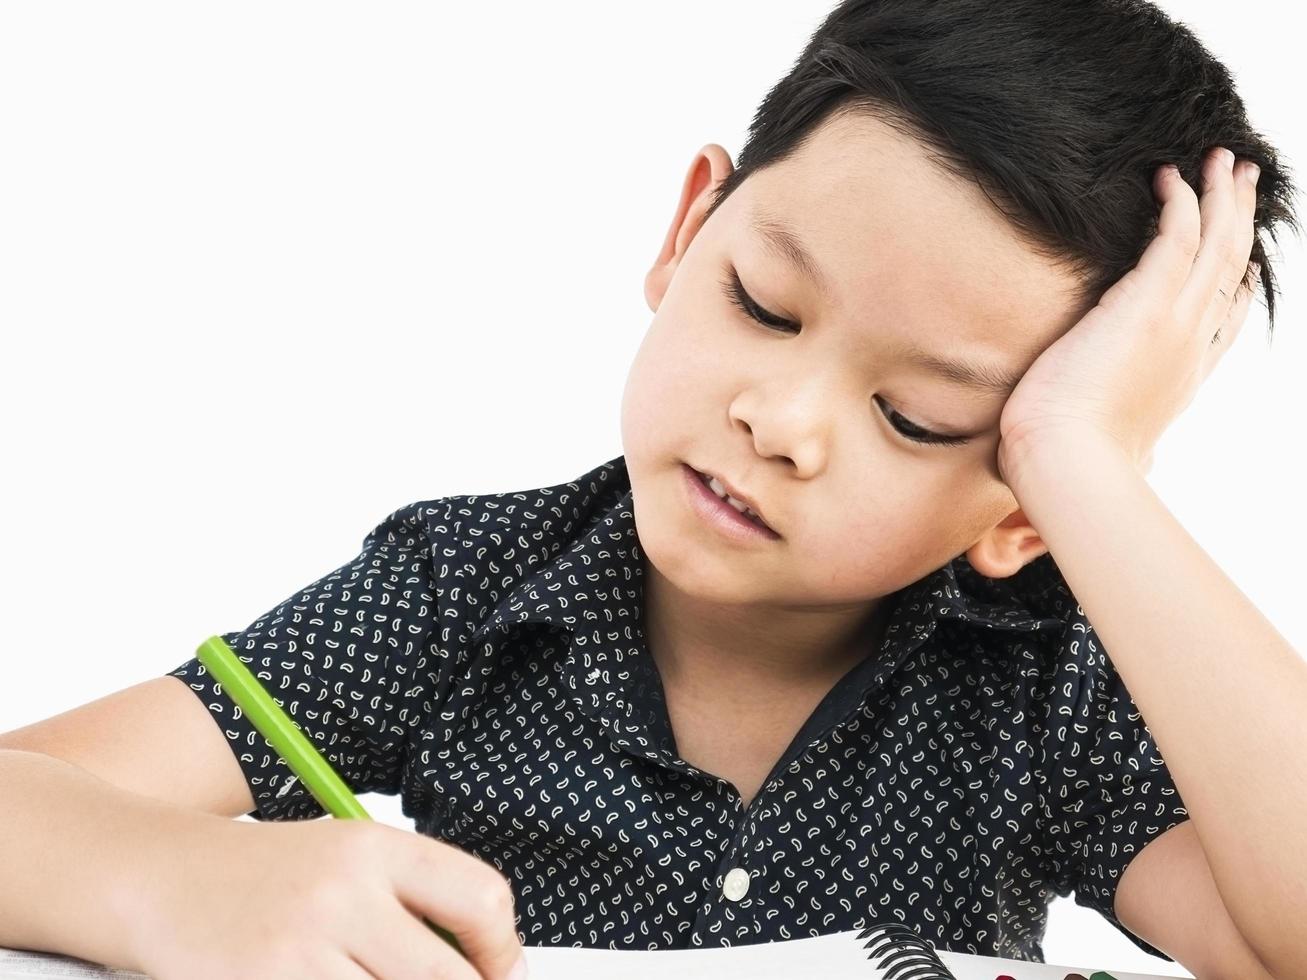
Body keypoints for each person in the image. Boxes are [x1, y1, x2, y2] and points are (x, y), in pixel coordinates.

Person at [1, 1, 1300, 978]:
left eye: (915, 416)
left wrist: (1086, 465)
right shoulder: (462, 592)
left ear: (1023, 505)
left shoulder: (1044, 687)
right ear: (689, 234)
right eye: (765, 304)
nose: (781, 422)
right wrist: (179, 884)